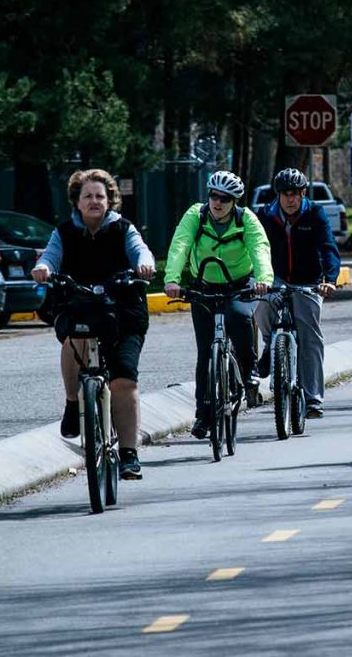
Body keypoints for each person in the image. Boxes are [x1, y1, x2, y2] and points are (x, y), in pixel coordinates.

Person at [32, 169, 155, 480]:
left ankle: (129, 454)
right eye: (88, 196)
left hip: (123, 309)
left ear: (110, 200)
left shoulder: (123, 229)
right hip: (79, 304)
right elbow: (50, 256)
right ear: (77, 201)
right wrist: (43, 268)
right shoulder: (64, 232)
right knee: (74, 338)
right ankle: (73, 402)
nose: (95, 201)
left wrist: (145, 265)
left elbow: (141, 250)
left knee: (123, 381)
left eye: (100, 196)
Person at [163, 171, 273, 440]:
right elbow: (180, 245)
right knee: (205, 353)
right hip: (204, 286)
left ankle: (250, 371)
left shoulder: (246, 219)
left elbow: (260, 248)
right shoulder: (195, 216)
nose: (218, 202)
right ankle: (203, 415)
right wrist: (172, 279)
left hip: (240, 284)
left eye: (225, 198)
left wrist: (263, 279)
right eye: (214, 196)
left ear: (234, 201)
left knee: (238, 316)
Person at [255, 167, 341, 419]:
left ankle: (313, 398)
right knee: (262, 305)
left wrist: (330, 279)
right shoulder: (265, 215)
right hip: (275, 278)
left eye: (295, 194)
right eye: (285, 194)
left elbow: (328, 247)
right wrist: (259, 279)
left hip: (308, 281)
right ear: (278, 195)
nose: (290, 199)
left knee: (310, 336)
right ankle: (271, 344)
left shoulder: (315, 213)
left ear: (303, 193)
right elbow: (256, 248)